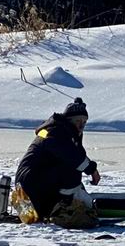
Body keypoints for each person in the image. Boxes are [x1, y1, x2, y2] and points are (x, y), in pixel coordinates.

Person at [14, 97, 101, 228]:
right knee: (71, 170)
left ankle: (60, 206)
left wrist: (91, 168)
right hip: (31, 183)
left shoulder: (66, 133)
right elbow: (71, 156)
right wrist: (91, 170)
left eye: (84, 121)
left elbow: (78, 155)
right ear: (69, 120)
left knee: (72, 172)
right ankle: (66, 205)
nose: (81, 124)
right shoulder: (55, 132)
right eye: (78, 121)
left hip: (34, 183)